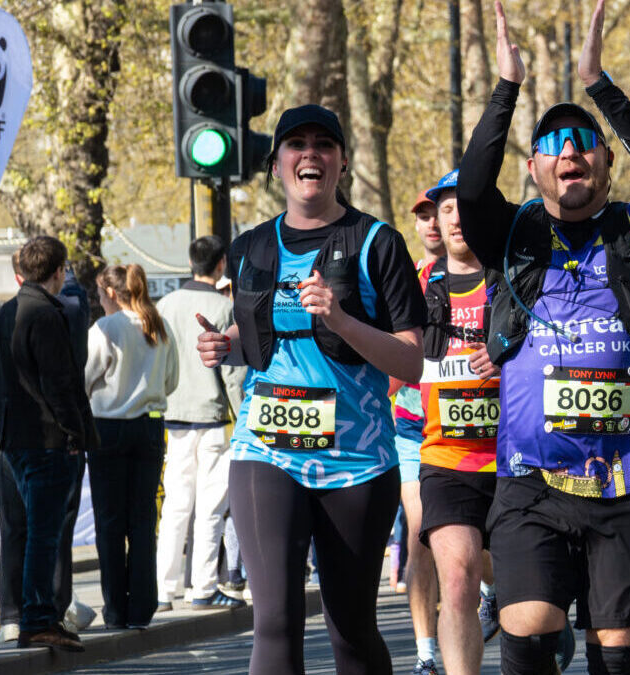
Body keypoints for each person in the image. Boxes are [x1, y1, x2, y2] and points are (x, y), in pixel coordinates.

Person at [457, 2, 630, 671]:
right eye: (552, 146)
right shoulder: (515, 235)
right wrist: (506, 87)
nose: (568, 155)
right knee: (526, 632)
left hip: (628, 481)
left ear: (605, 161)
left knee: (614, 650)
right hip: (532, 479)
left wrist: (596, 83)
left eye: (581, 143)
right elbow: (472, 187)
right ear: (533, 168)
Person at [195, 102, 427, 674]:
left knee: (350, 628)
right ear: (277, 166)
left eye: (323, 144)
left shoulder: (377, 242)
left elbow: (412, 362)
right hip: (266, 450)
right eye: (296, 145)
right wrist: (223, 345)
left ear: (342, 163)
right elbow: (259, 335)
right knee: (273, 620)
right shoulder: (250, 247)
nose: (310, 155)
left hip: (358, 459)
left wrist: (343, 319)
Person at [412, 169, 505, 675]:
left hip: (517, 456)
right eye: (446, 208)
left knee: (528, 598)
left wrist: (508, 356)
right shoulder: (416, 284)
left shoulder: (516, 277)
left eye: (465, 206)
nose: (455, 217)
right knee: (457, 580)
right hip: (445, 456)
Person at [2, 235, 97, 651]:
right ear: (59, 271)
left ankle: (33, 617)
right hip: (46, 439)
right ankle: (38, 619)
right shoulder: (46, 314)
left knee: (30, 532)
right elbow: (60, 383)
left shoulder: (8, 311)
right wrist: (74, 432)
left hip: (15, 439)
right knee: (45, 534)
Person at [155, 237, 248, 611]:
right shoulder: (223, 307)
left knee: (175, 506)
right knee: (211, 506)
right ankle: (203, 587)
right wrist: (245, 418)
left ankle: (163, 590)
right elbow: (233, 375)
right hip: (213, 419)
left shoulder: (164, 306)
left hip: (173, 416)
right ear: (221, 264)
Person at [84, 264, 177, 629]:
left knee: (110, 521)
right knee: (142, 519)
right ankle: (142, 605)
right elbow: (171, 381)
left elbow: (87, 378)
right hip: (150, 427)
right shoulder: (158, 324)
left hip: (107, 428)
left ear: (109, 292)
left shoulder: (105, 328)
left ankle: (115, 608)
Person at [395, 188, 443, 673]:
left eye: (442, 213)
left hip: (477, 431)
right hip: (412, 427)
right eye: (424, 216)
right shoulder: (404, 279)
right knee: (421, 532)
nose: (432, 224)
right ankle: (426, 651)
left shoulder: (485, 273)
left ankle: (494, 592)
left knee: (478, 539)